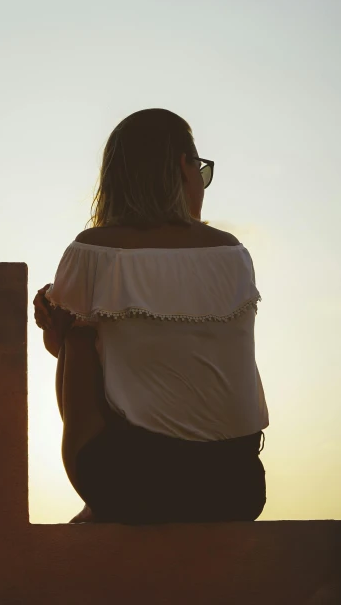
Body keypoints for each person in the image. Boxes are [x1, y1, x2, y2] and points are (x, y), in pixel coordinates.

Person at [33, 108, 268, 525]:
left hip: (130, 487)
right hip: (239, 487)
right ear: (183, 165)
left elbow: (71, 360)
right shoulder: (234, 254)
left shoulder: (92, 251)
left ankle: (94, 506)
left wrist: (65, 331)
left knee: (78, 333)